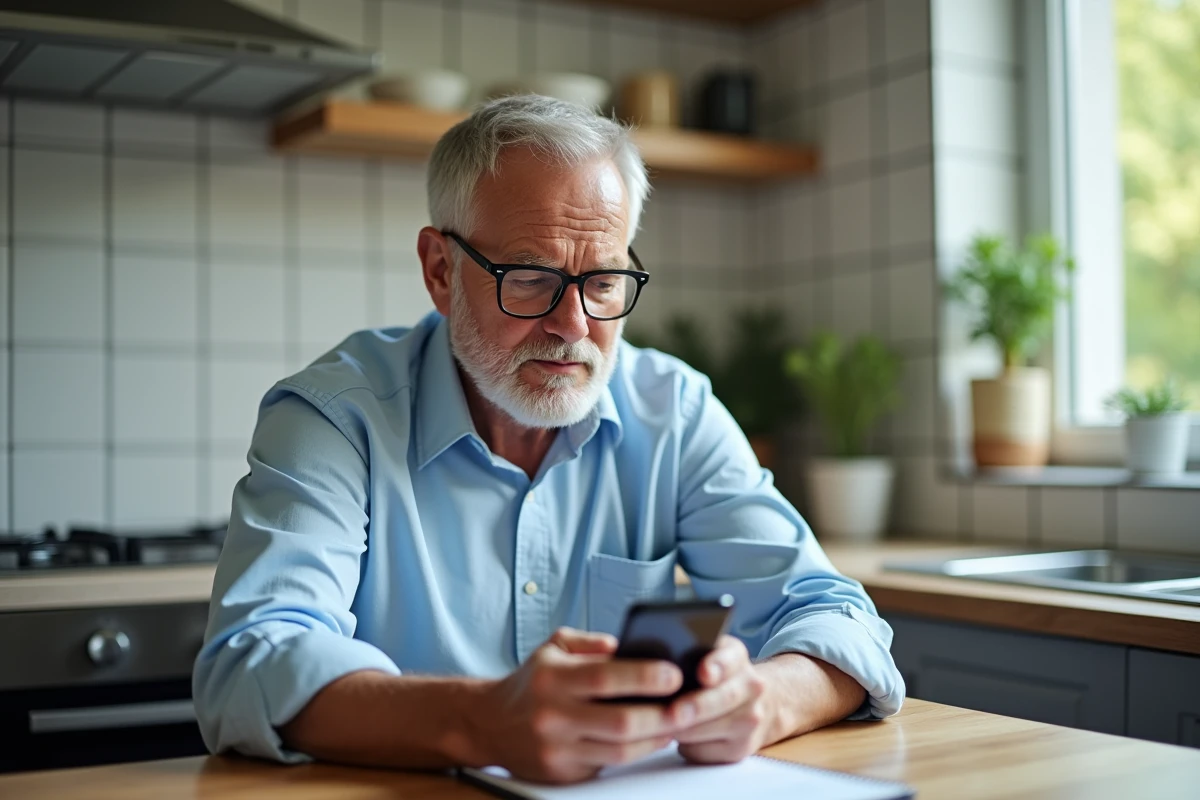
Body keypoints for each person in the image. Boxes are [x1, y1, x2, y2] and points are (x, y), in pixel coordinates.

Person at [193, 95, 903, 785]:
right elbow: (249, 663)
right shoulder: (334, 418)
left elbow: (837, 621)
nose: (573, 324)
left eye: (603, 281)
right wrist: (479, 721)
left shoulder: (674, 412)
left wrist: (762, 699)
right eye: (530, 279)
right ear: (441, 271)